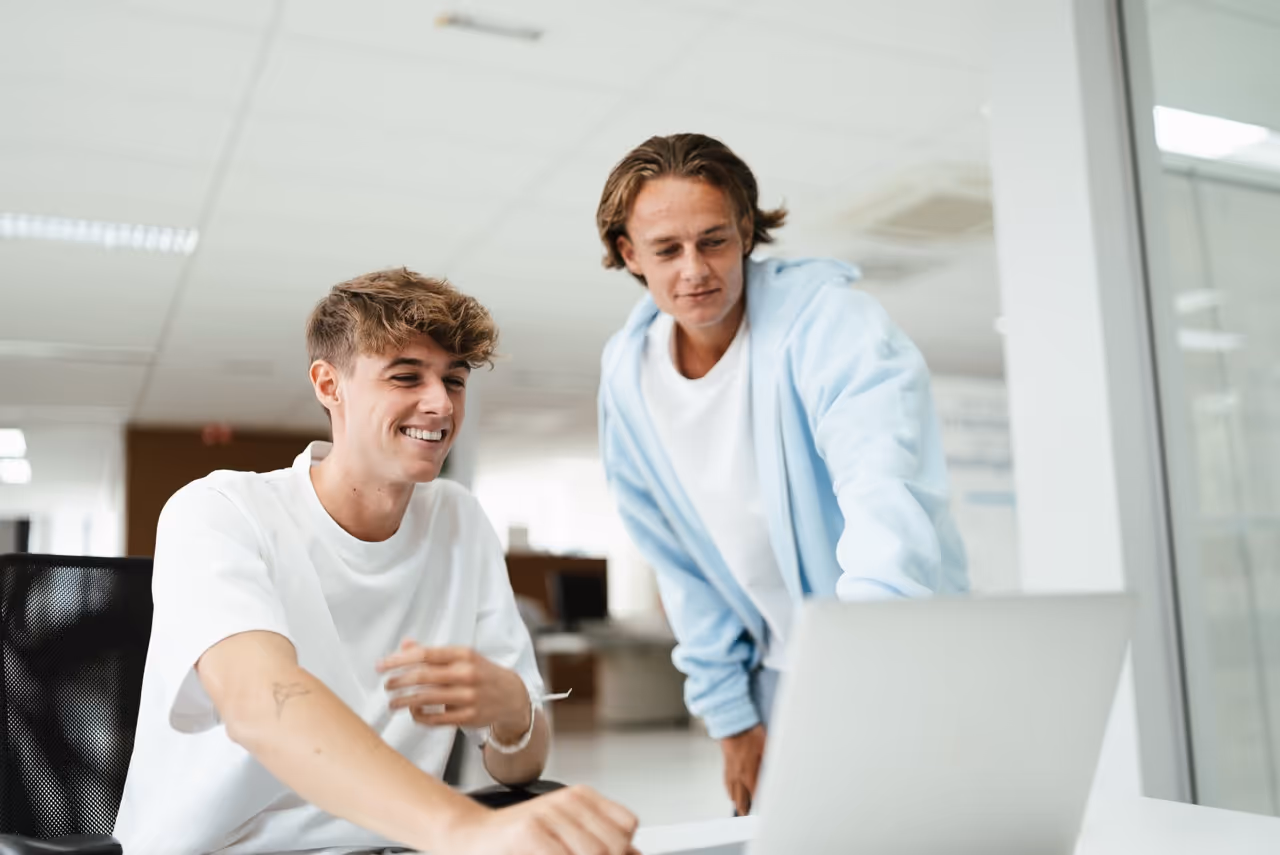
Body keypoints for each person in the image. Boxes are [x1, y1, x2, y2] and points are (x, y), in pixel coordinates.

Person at [114, 269, 639, 855]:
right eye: (406, 376)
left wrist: (514, 710)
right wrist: (464, 828)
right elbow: (261, 704)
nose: (439, 403)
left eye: (455, 380)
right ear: (328, 384)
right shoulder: (219, 511)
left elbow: (520, 765)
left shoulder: (460, 522)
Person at [595, 134, 969, 816]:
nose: (695, 270)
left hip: (890, 658)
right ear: (629, 253)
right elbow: (678, 562)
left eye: (713, 240)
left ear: (745, 231)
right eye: (666, 250)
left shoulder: (833, 325)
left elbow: (881, 493)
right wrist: (730, 714)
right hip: (777, 677)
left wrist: (863, 670)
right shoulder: (627, 376)